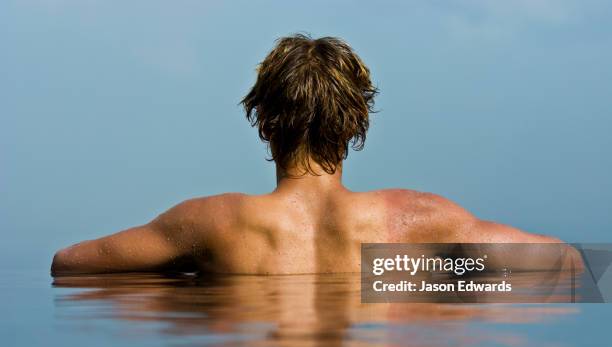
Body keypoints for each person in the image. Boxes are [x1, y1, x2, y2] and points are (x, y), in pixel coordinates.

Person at [51, 34, 577, 275]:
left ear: (264, 122)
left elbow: (69, 265)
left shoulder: (212, 224)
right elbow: (567, 263)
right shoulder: (415, 221)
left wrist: (177, 294)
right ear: (356, 124)